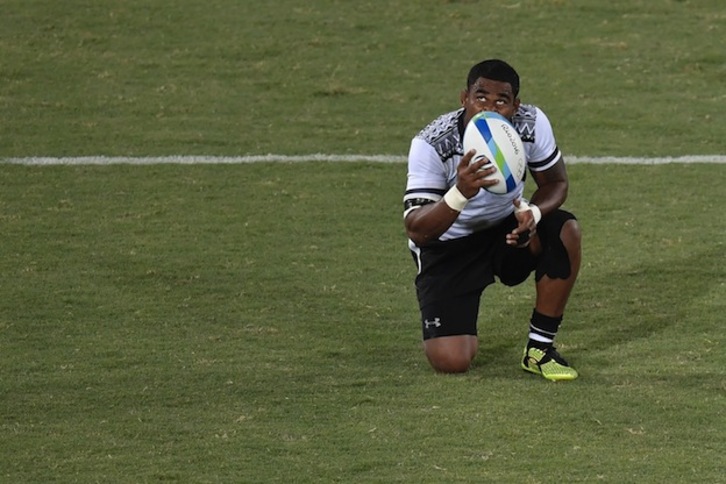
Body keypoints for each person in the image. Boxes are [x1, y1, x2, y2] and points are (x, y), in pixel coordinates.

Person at [403, 59, 582, 381]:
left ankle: (539, 350)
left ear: (516, 105)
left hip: (508, 231)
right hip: (450, 243)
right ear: (464, 99)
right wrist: (459, 193)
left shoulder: (532, 122)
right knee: (452, 360)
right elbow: (417, 230)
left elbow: (556, 183)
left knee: (565, 229)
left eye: (501, 100)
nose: (489, 107)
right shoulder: (431, 144)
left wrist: (533, 214)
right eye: (480, 97)